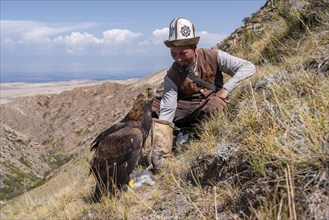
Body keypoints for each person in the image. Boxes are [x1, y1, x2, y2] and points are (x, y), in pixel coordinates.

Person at [148, 17, 256, 170]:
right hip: (183, 110)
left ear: (194, 46)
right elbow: (168, 108)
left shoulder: (214, 56)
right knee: (150, 106)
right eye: (174, 54)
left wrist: (226, 89)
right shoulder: (172, 75)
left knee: (216, 105)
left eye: (183, 53)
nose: (178, 58)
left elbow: (248, 67)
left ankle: (195, 135)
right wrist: (161, 149)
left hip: (206, 105)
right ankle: (174, 140)